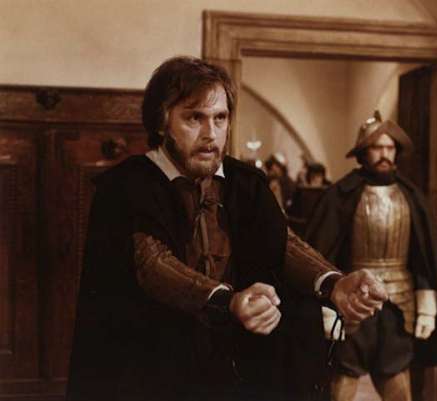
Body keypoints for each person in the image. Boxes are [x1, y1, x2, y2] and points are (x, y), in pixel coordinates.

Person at [66, 57, 387, 401]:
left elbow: (281, 242)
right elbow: (151, 263)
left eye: (220, 118)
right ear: (162, 122)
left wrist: (333, 282)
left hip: (233, 366)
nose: (210, 134)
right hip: (153, 365)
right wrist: (226, 302)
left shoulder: (246, 182)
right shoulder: (127, 185)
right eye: (194, 118)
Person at [306, 111, 437, 401]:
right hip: (354, 301)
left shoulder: (411, 196)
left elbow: (422, 256)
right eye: (377, 147)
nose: (384, 154)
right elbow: (322, 250)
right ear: (363, 152)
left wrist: (426, 302)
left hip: (399, 307)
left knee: (396, 377)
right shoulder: (341, 195)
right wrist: (327, 303)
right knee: (343, 376)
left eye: (390, 148)